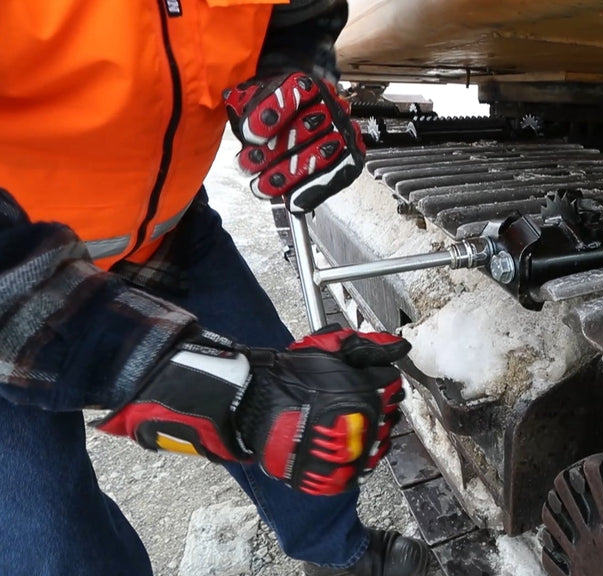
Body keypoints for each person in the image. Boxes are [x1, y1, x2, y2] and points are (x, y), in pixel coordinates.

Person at [0, 1, 430, 575]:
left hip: (167, 234)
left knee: (300, 401)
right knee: (47, 541)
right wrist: (186, 378)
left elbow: (298, 16)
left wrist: (286, 78)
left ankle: (339, 554)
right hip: (18, 271)